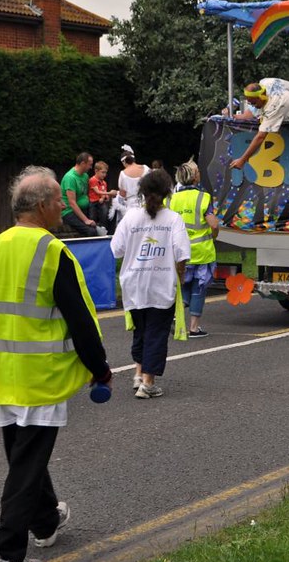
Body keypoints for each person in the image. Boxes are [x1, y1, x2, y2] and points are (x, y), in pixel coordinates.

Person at [0, 166, 111, 562]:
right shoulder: (50, 251)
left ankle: (44, 522)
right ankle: (5, 554)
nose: (63, 207)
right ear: (43, 206)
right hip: (37, 376)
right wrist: (100, 370)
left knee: (24, 456)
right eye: (59, 202)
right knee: (26, 463)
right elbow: (79, 319)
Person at [111, 171, 191, 399]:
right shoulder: (173, 219)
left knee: (141, 330)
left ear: (142, 192)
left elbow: (116, 250)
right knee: (156, 332)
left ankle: (138, 373)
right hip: (161, 283)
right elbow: (182, 253)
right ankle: (148, 382)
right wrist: (181, 275)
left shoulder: (130, 217)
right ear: (168, 193)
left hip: (134, 284)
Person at [168, 160, 219, 338]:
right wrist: (214, 235)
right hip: (202, 252)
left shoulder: (172, 199)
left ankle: (176, 316)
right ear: (195, 176)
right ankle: (194, 328)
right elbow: (213, 224)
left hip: (179, 253)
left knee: (182, 288)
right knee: (199, 288)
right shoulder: (204, 197)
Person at [117, 145, 150, 214]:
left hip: (131, 207)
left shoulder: (123, 174)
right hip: (147, 203)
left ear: (124, 162)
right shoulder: (146, 168)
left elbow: (122, 194)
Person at [87, 161, 116, 234]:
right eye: (103, 172)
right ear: (96, 171)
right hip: (93, 202)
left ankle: (103, 228)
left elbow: (103, 192)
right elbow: (97, 192)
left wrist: (104, 197)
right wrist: (109, 193)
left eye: (105, 172)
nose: (104, 174)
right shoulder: (92, 180)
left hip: (101, 201)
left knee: (105, 212)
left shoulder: (104, 182)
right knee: (92, 216)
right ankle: (92, 230)